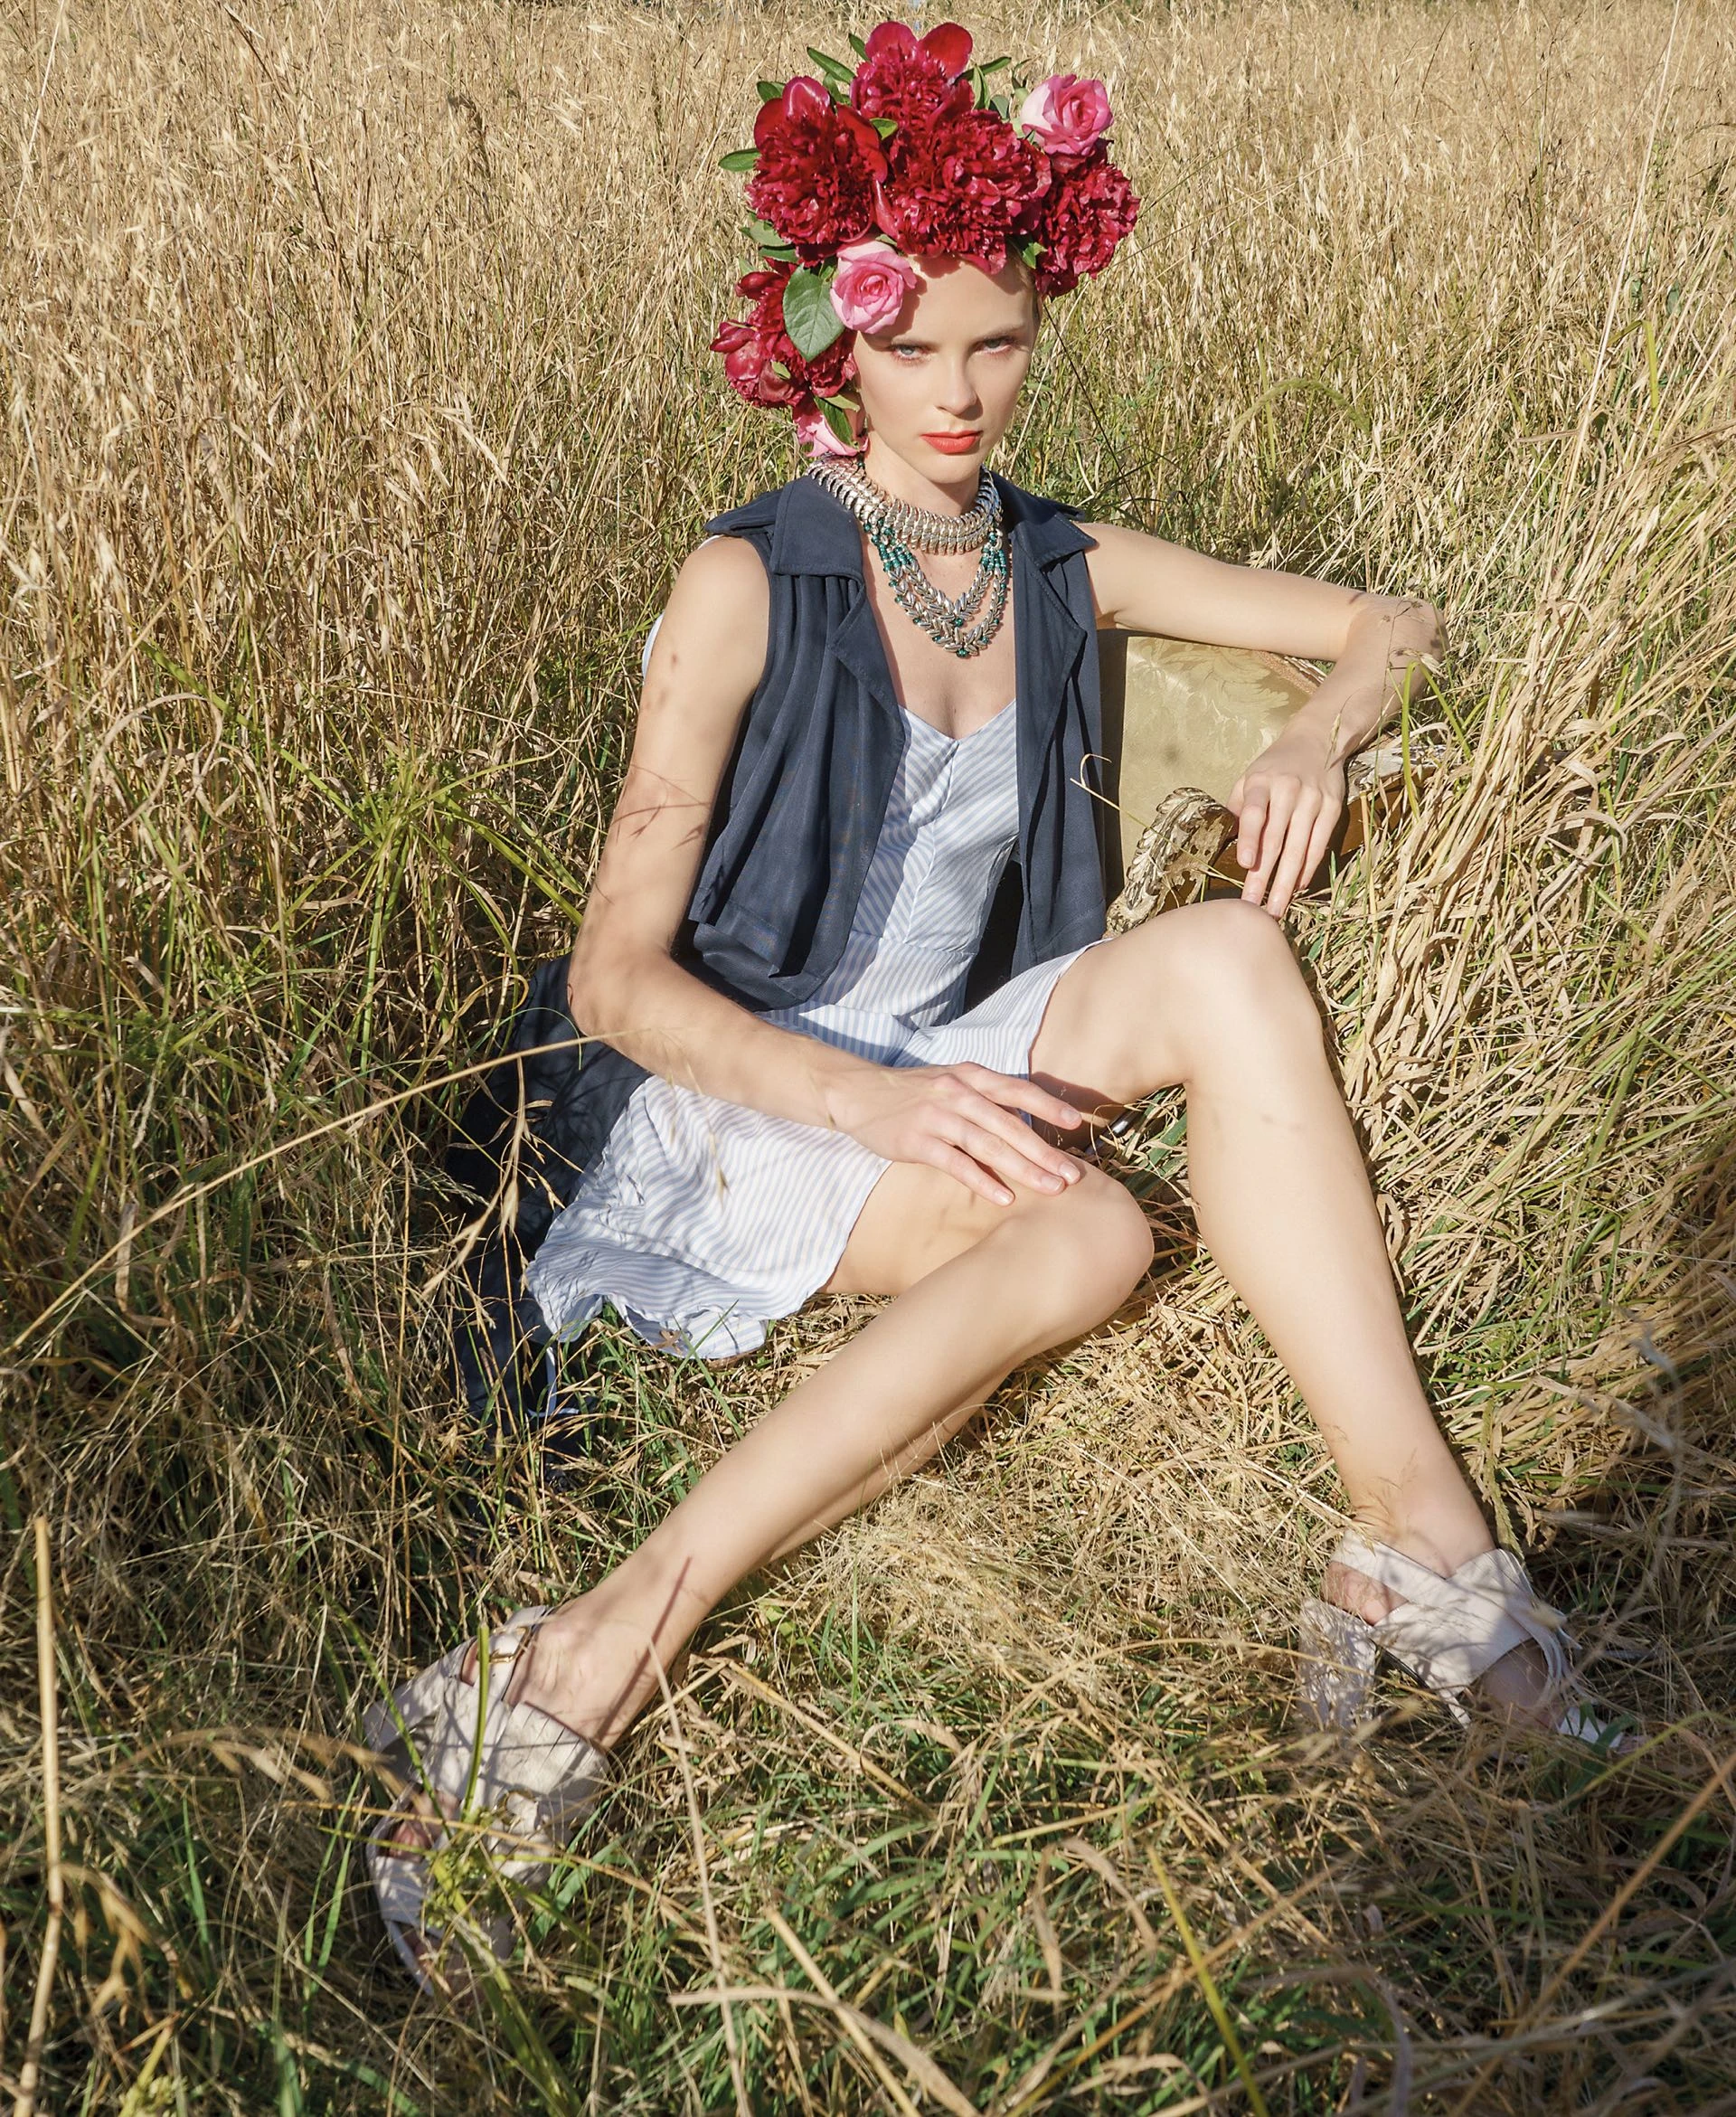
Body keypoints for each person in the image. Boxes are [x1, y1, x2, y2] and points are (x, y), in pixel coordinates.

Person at [363, 22, 1620, 1992]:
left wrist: (1321, 733)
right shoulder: (745, 580)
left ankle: (1426, 1550)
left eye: (999, 342)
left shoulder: (1058, 557)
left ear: (1043, 323)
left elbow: (1396, 625)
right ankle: (587, 1647)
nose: (957, 395)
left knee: (1226, 956)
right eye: (910, 348)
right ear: (827, 347)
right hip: (737, 1086)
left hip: (955, 1036)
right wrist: (871, 1114)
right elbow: (616, 975)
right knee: (1105, 1227)